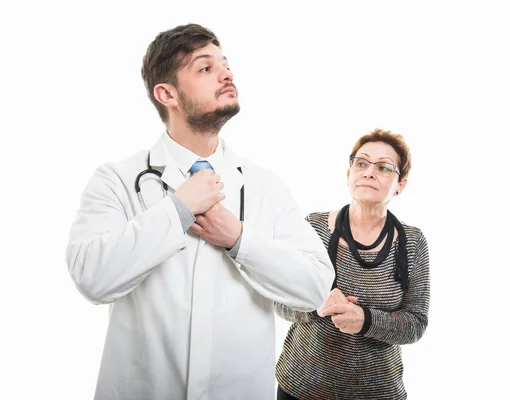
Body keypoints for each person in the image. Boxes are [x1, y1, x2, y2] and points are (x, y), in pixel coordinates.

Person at [65, 23, 335, 400]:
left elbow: (315, 286)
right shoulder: (117, 180)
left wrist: (238, 239)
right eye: (205, 68)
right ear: (167, 94)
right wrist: (177, 211)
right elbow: (91, 278)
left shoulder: (265, 186)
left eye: (225, 65)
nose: (227, 74)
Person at [274, 128, 430, 400]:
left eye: (383, 167)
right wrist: (316, 302)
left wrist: (366, 320)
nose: (369, 172)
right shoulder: (313, 227)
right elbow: (279, 301)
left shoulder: (413, 242)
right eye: (361, 163)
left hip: (378, 393)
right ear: (349, 174)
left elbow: (416, 324)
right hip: (301, 387)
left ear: (401, 183)